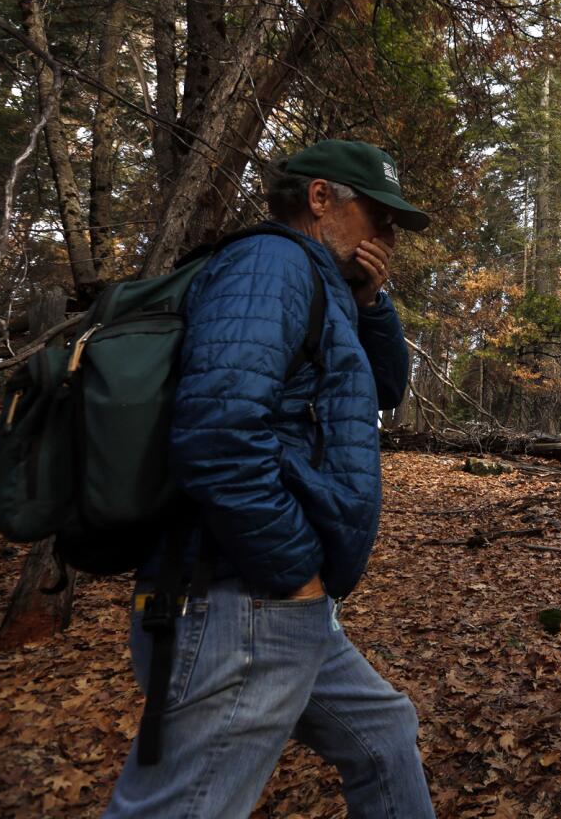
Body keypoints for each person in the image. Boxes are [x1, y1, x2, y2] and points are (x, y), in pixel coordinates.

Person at [105, 140, 436, 818]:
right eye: (379, 216)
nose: (388, 234)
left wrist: (373, 301)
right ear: (322, 199)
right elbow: (218, 435)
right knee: (186, 805)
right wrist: (293, 574)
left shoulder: (323, 283)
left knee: (383, 736)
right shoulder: (271, 264)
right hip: (242, 593)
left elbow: (386, 388)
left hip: (274, 597)